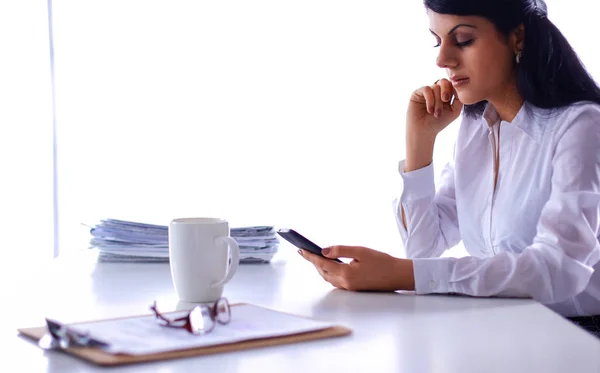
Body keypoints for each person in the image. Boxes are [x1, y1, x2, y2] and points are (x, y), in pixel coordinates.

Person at [298, 0, 600, 338]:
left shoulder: (582, 126)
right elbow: (424, 247)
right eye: (437, 41)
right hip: (507, 328)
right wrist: (419, 143)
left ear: (518, 38)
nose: (442, 60)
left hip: (581, 338)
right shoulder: (477, 126)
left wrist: (403, 275)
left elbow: (560, 268)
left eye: (463, 40)